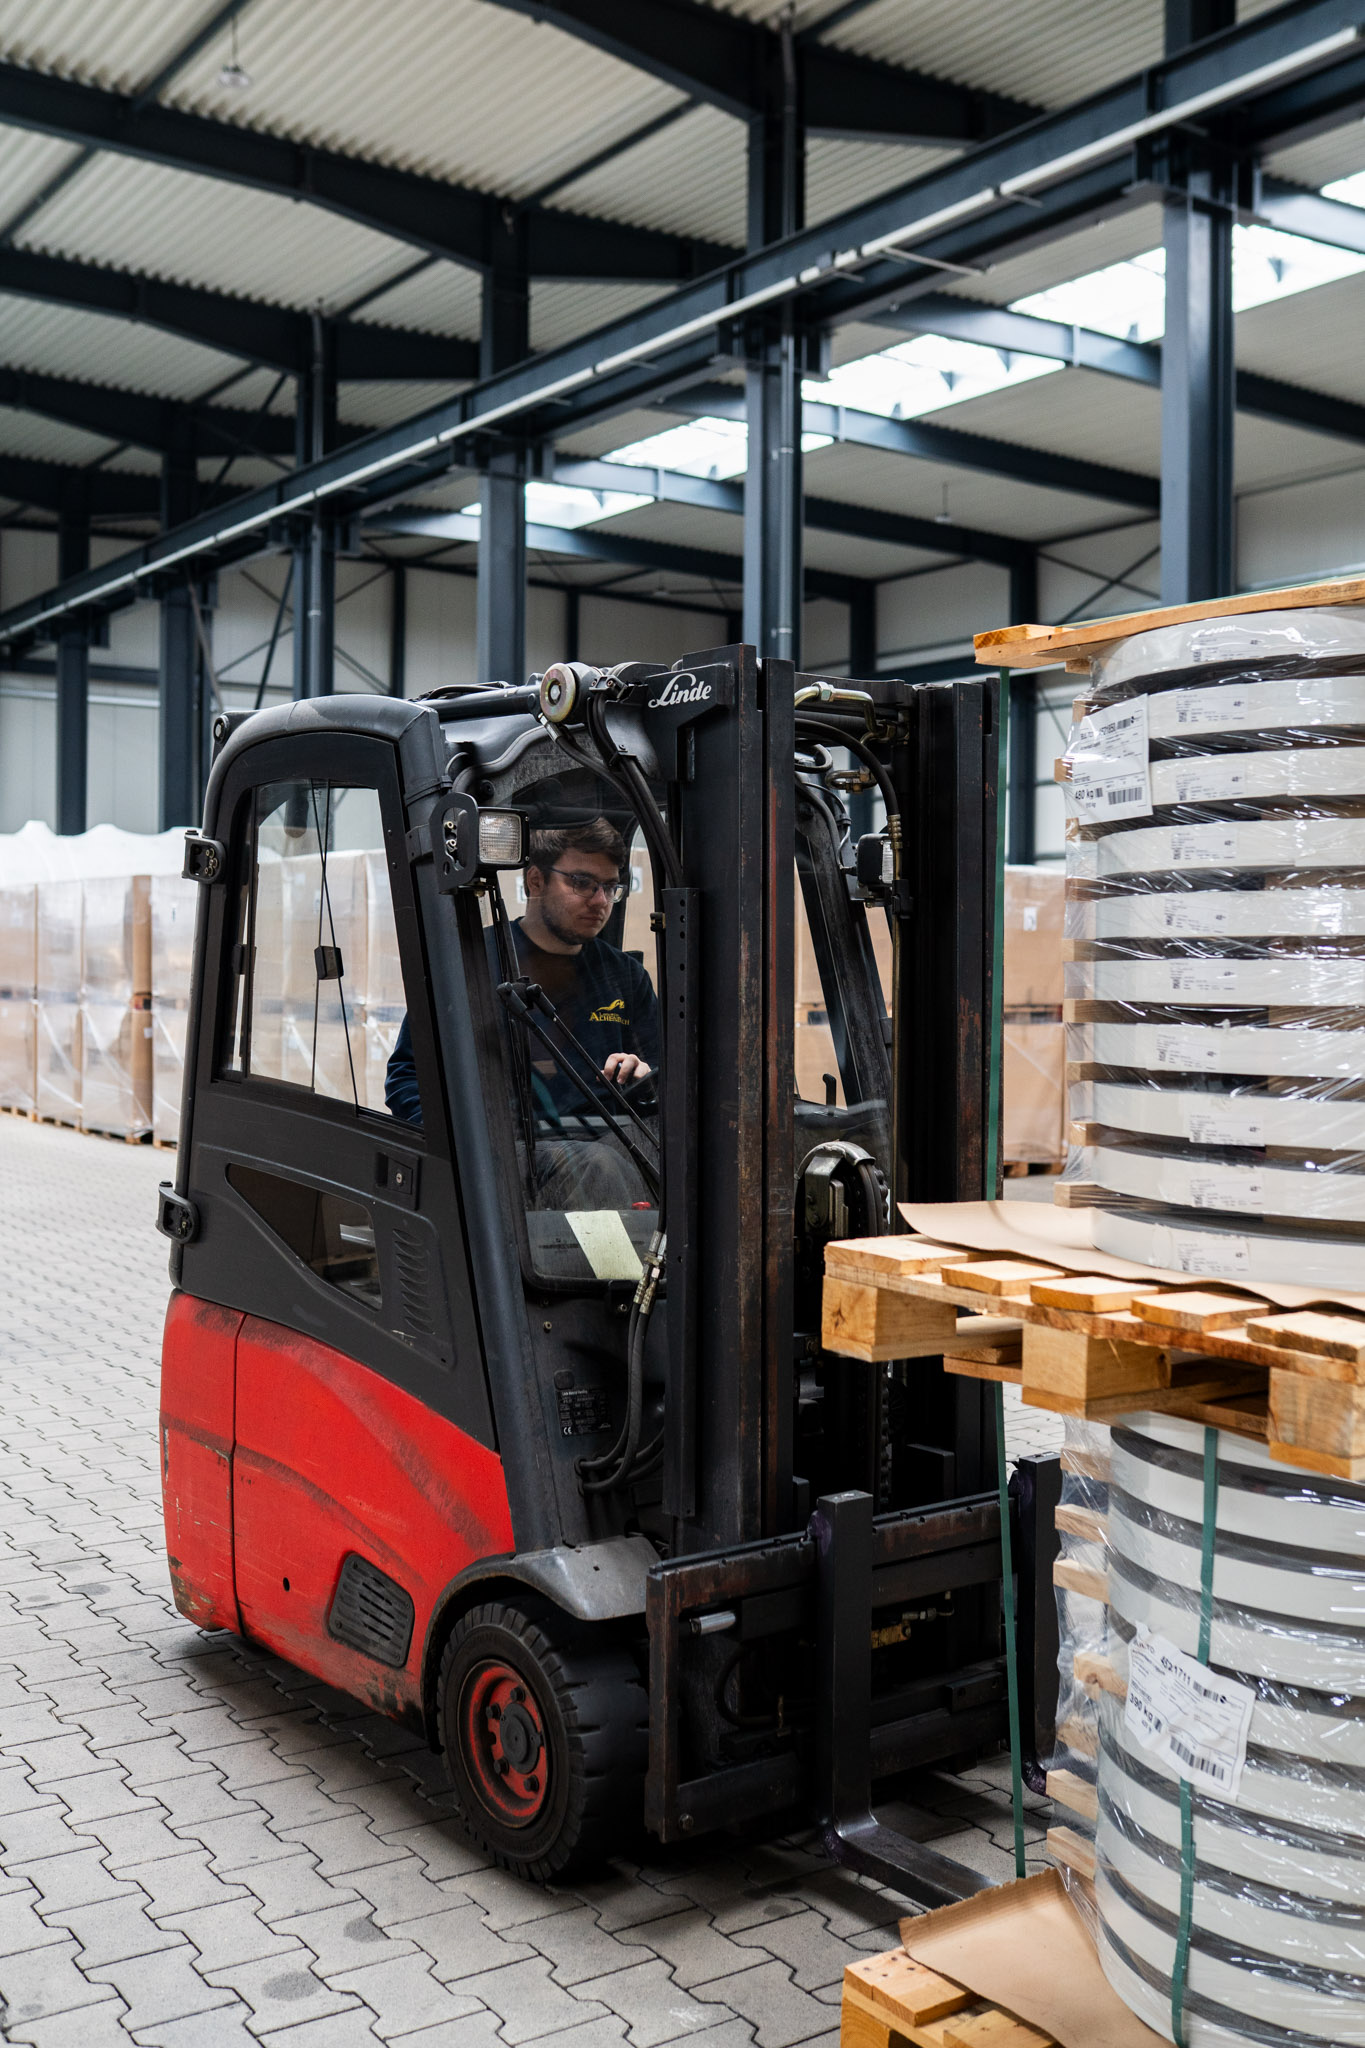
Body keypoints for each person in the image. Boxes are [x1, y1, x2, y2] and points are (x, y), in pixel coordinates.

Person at [384, 818, 659, 1136]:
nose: (600, 901)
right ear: (536, 880)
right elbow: (409, 1076)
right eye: (582, 883)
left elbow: (661, 1074)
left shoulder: (625, 976)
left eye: (610, 888)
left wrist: (643, 1074)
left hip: (607, 1150)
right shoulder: (471, 963)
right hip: (509, 1161)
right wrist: (463, 1148)